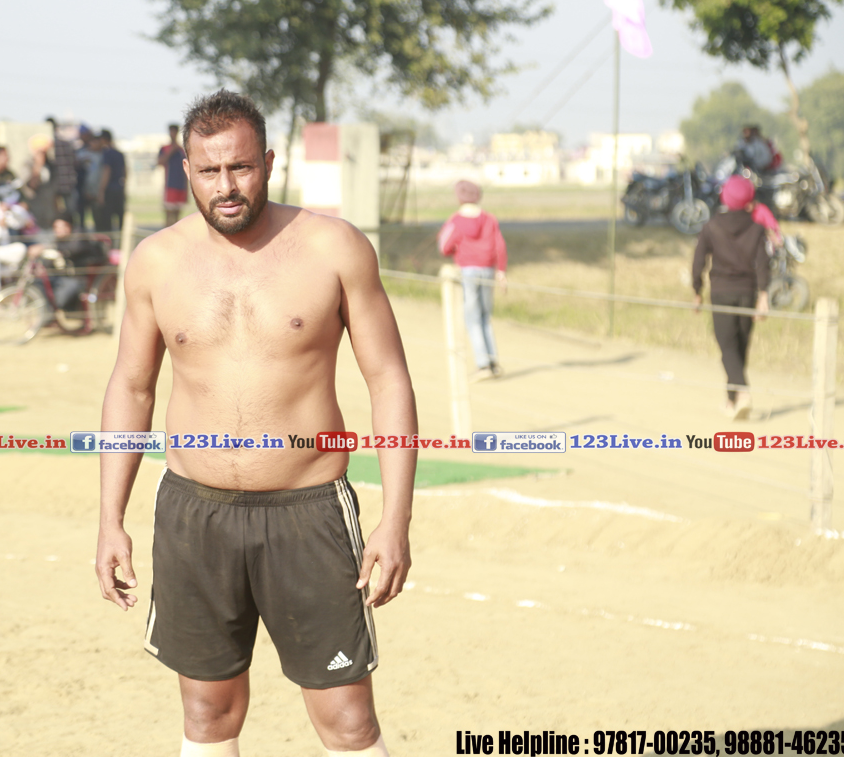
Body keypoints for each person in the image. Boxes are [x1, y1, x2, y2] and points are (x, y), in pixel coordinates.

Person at [96, 90, 414, 757]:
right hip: (194, 513)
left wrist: (395, 520)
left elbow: (388, 380)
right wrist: (109, 518)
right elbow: (131, 386)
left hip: (309, 513)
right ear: (187, 170)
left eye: (240, 167)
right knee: (208, 712)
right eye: (210, 171)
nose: (227, 186)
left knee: (348, 720)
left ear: (269, 163)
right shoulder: (156, 261)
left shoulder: (335, 247)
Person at [692, 174, 770, 419]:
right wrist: (763, 296)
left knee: (727, 346)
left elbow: (698, 261)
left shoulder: (711, 226)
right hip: (747, 292)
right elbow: (763, 264)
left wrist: (697, 291)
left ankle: (742, 392)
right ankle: (731, 400)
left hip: (721, 292)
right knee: (739, 347)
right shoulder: (757, 228)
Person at [437, 180, 507, 381]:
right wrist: (501, 271)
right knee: (485, 317)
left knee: (472, 318)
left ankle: (483, 364)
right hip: (488, 270)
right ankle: (493, 362)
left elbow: (444, 246)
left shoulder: (455, 220)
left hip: (467, 271)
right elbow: (500, 246)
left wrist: (454, 251)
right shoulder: (489, 219)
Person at [28, 217, 108, 311]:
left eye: (61, 226)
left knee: (59, 300)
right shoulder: (58, 240)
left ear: (69, 226)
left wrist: (48, 247)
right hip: (61, 277)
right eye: (56, 227)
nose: (58, 230)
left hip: (78, 278)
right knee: (39, 283)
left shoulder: (79, 238)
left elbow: (73, 249)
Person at [20, 133, 57, 230]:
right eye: (41, 152)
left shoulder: (50, 165)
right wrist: (38, 165)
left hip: (49, 209)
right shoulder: (27, 165)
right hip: (35, 210)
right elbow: (31, 185)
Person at [47, 117, 78, 222]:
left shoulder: (48, 145)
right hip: (68, 183)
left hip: (54, 185)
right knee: (70, 212)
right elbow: (75, 162)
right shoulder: (66, 144)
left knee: (55, 213)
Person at [95, 129, 126, 234]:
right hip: (119, 189)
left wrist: (101, 192)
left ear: (104, 140)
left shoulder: (106, 153)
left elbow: (106, 171)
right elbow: (125, 172)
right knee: (120, 219)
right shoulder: (119, 153)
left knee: (107, 220)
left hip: (109, 190)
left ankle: (110, 242)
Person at [158, 123, 188, 225]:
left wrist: (187, 189)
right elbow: (160, 162)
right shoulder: (165, 148)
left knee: (177, 215)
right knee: (168, 213)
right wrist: (171, 151)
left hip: (180, 186)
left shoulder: (182, 150)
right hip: (170, 185)